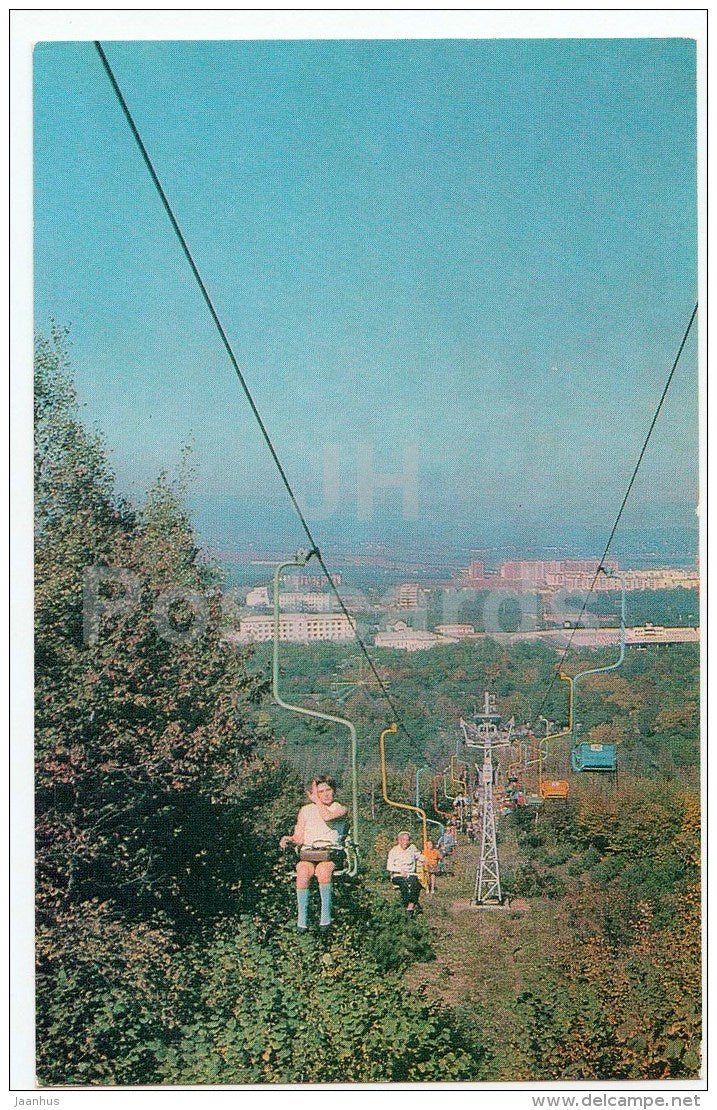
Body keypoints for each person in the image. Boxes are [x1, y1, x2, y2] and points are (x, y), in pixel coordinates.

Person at [279, 775, 347, 934]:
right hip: (310, 852)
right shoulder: (306, 811)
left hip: (330, 852)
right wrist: (288, 839)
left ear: (334, 791)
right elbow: (299, 837)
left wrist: (316, 801)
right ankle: (302, 921)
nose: (325, 794)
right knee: (302, 871)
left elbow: (327, 816)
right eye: (320, 791)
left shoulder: (340, 808)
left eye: (328, 790)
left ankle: (325, 918)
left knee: (323, 871)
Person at [386, 831, 424, 914]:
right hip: (398, 874)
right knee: (404, 885)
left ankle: (411, 906)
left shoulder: (412, 848)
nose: (406, 842)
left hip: (410, 873)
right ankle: (406, 903)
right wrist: (399, 870)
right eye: (404, 840)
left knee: (415, 884)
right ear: (399, 841)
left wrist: (427, 860)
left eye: (407, 840)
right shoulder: (394, 851)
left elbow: (419, 856)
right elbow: (389, 866)